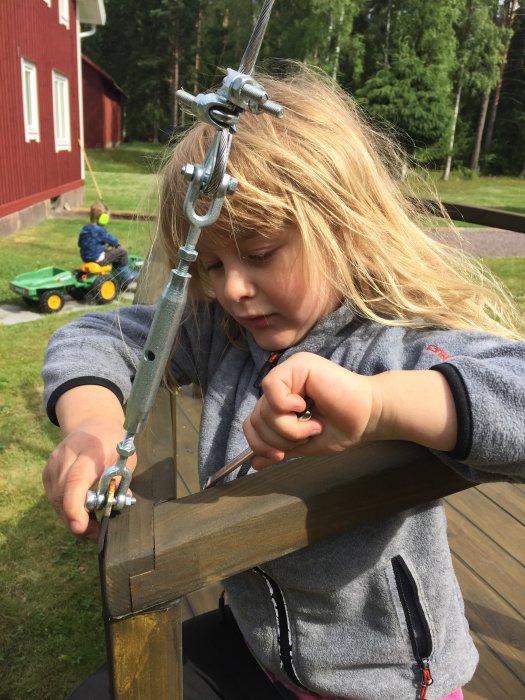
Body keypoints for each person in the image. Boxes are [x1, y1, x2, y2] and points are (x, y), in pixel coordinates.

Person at [42, 65, 525, 700]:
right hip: (260, 644)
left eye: (260, 253)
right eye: (212, 263)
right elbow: (100, 333)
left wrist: (379, 406)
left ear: (341, 227)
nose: (233, 289)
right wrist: (97, 423)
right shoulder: (225, 332)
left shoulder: (393, 340)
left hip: (388, 683)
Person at [78, 202, 137, 287]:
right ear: (103, 218)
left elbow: (80, 244)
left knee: (109, 251)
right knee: (122, 252)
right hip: (98, 260)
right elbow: (112, 240)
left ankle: (119, 272)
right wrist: (116, 244)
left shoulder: (85, 228)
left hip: (86, 258)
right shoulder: (100, 230)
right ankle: (126, 275)